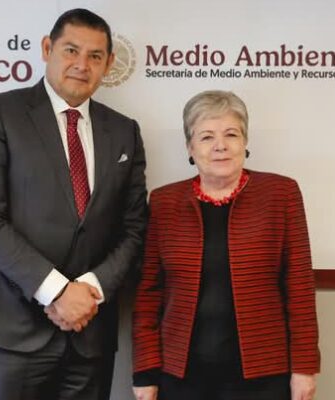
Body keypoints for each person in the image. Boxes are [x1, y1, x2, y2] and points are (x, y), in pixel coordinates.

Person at [0, 8, 147, 400]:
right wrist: (58, 292)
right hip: (13, 328)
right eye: (71, 50)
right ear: (47, 48)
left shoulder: (124, 131)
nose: (82, 65)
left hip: (90, 330)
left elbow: (134, 228)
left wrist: (89, 291)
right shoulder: (0, 113)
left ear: (109, 63)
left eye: (95, 56)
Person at [132, 91, 320, 400]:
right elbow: (149, 294)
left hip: (263, 376)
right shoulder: (165, 202)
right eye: (206, 137)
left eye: (231, 134)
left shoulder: (281, 194)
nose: (220, 145)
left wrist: (304, 368)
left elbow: (299, 287)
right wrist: (145, 372)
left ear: (245, 141)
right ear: (190, 147)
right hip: (181, 377)